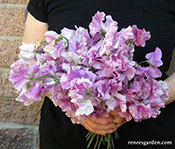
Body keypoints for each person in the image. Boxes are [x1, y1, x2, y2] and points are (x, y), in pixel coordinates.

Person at [23, 0, 175, 148]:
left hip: (149, 136)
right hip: (66, 136)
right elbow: (32, 62)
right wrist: (78, 109)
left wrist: (137, 104)